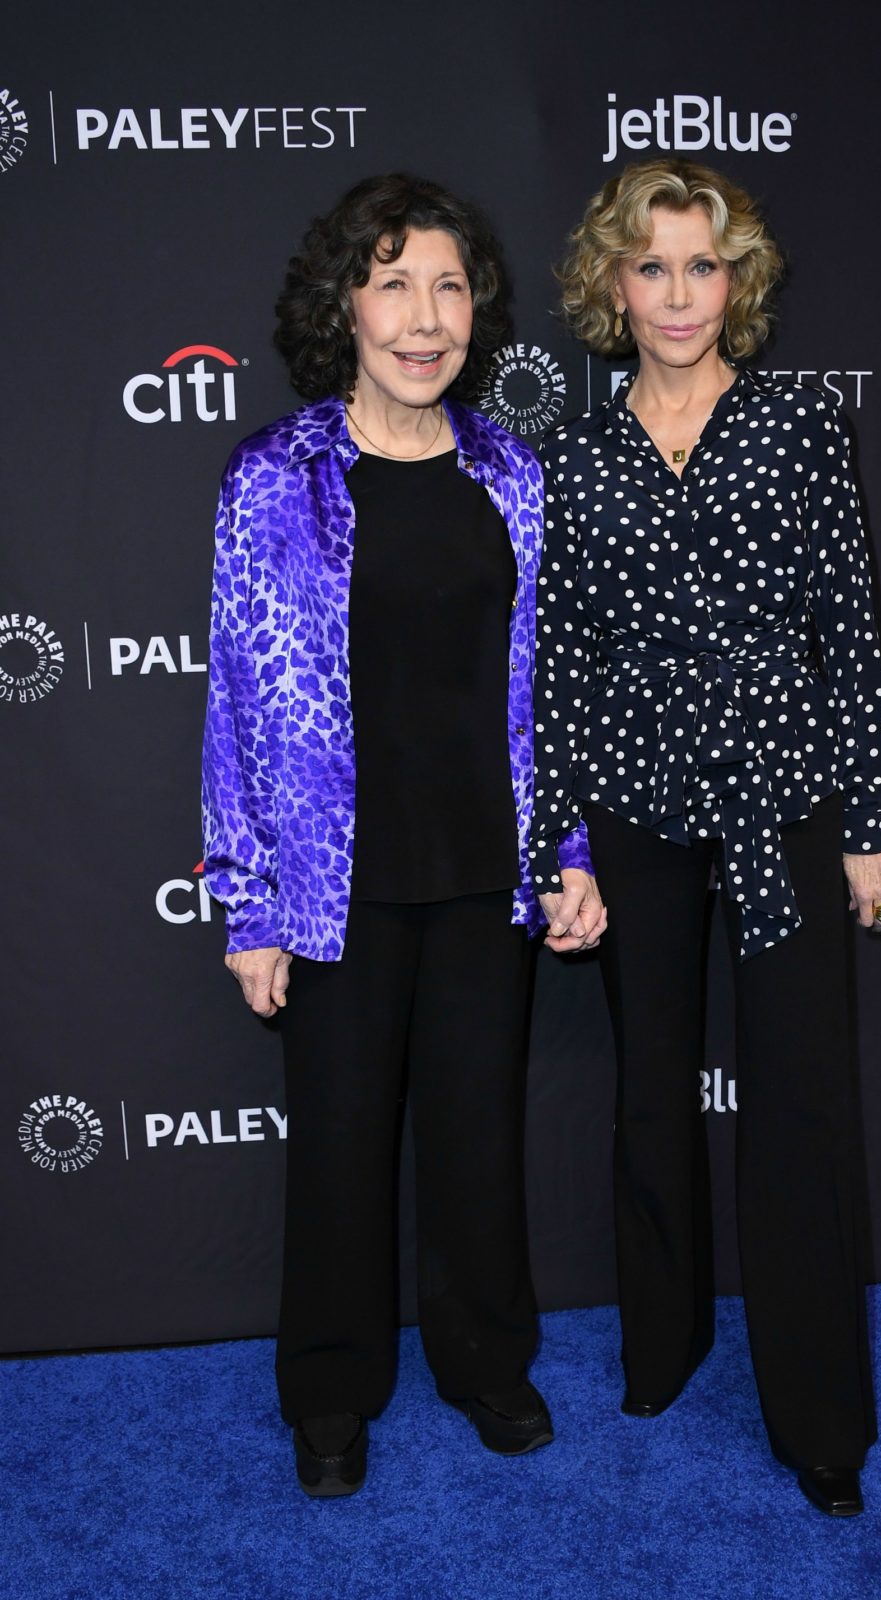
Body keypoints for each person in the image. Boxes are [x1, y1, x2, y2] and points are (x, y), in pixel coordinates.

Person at [201, 172, 605, 1498]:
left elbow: (552, 688)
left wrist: (574, 853)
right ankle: (329, 1390)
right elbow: (240, 704)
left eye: (448, 286)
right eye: (395, 284)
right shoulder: (275, 479)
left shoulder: (514, 477)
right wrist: (247, 904)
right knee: (334, 1152)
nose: (426, 318)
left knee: (476, 1139)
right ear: (345, 307)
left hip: (485, 871)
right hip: (333, 886)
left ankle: (486, 1362)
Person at [530, 158, 881, 1518]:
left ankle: (821, 1420)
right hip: (632, 796)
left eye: (704, 264)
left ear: (734, 280)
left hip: (786, 796)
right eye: (653, 265)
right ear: (611, 284)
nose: (679, 292)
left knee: (802, 1106)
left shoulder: (804, 425)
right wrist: (558, 845)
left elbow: (849, 631)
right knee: (648, 1090)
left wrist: (868, 820)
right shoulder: (575, 455)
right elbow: (561, 660)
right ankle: (664, 1339)